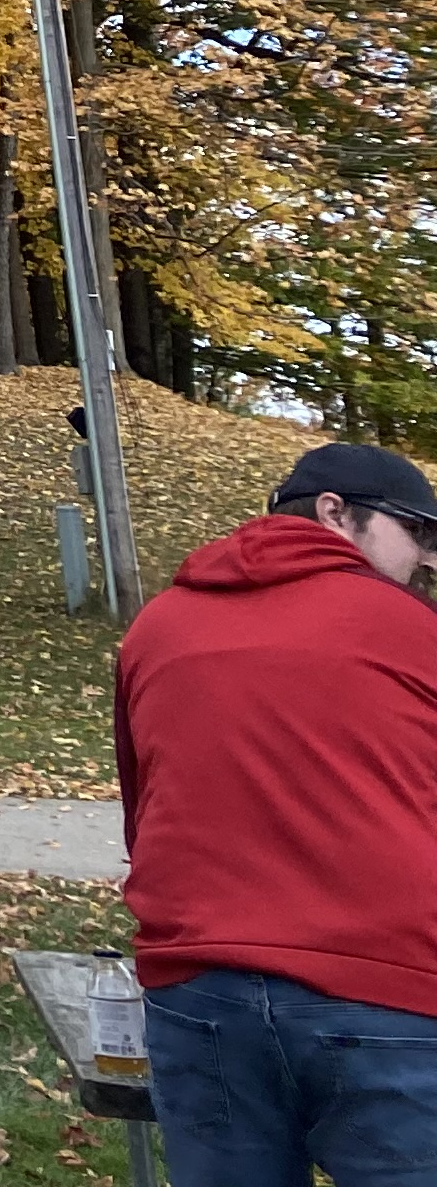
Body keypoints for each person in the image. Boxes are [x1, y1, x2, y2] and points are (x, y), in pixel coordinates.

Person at [116, 439, 437, 1185]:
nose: (427, 557)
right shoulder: (415, 630)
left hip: (198, 985)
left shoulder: (157, 627)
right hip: (388, 991)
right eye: (417, 531)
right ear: (335, 512)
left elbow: (143, 811)